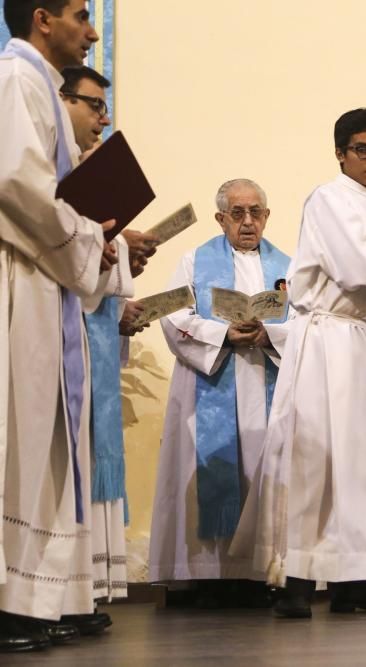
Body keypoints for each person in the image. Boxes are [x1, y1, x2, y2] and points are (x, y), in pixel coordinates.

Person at [232, 108, 366, 619]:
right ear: (340, 152)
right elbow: (359, 268)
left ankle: (354, 584)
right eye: (363, 149)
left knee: (360, 468)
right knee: (313, 462)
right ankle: (294, 585)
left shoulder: (362, 205)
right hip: (321, 350)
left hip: (352, 346)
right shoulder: (328, 198)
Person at [0, 0, 120, 652]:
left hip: (46, 282)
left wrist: (95, 240)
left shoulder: (38, 84)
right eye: (81, 13)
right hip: (19, 280)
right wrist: (83, 233)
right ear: (42, 18)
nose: (92, 29)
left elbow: (60, 196)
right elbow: (17, 181)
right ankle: (12, 598)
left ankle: (43, 594)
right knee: (20, 438)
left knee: (46, 443)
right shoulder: (14, 79)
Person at [148, 179, 290, 609]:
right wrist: (223, 333)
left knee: (260, 468)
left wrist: (270, 333)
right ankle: (203, 577)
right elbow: (172, 314)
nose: (248, 222)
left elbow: (305, 323)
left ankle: (257, 574)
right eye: (237, 213)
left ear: (266, 216)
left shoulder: (288, 267)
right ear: (221, 218)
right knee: (208, 470)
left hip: (265, 379)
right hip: (207, 386)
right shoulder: (195, 260)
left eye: (256, 212)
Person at [60, 64, 157, 622]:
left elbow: (93, 269)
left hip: (92, 325)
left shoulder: (82, 172)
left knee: (94, 455)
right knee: (68, 457)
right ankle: (64, 589)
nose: (103, 118)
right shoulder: (53, 176)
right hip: (63, 328)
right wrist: (113, 246)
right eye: (94, 106)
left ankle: (88, 587)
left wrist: (122, 256)